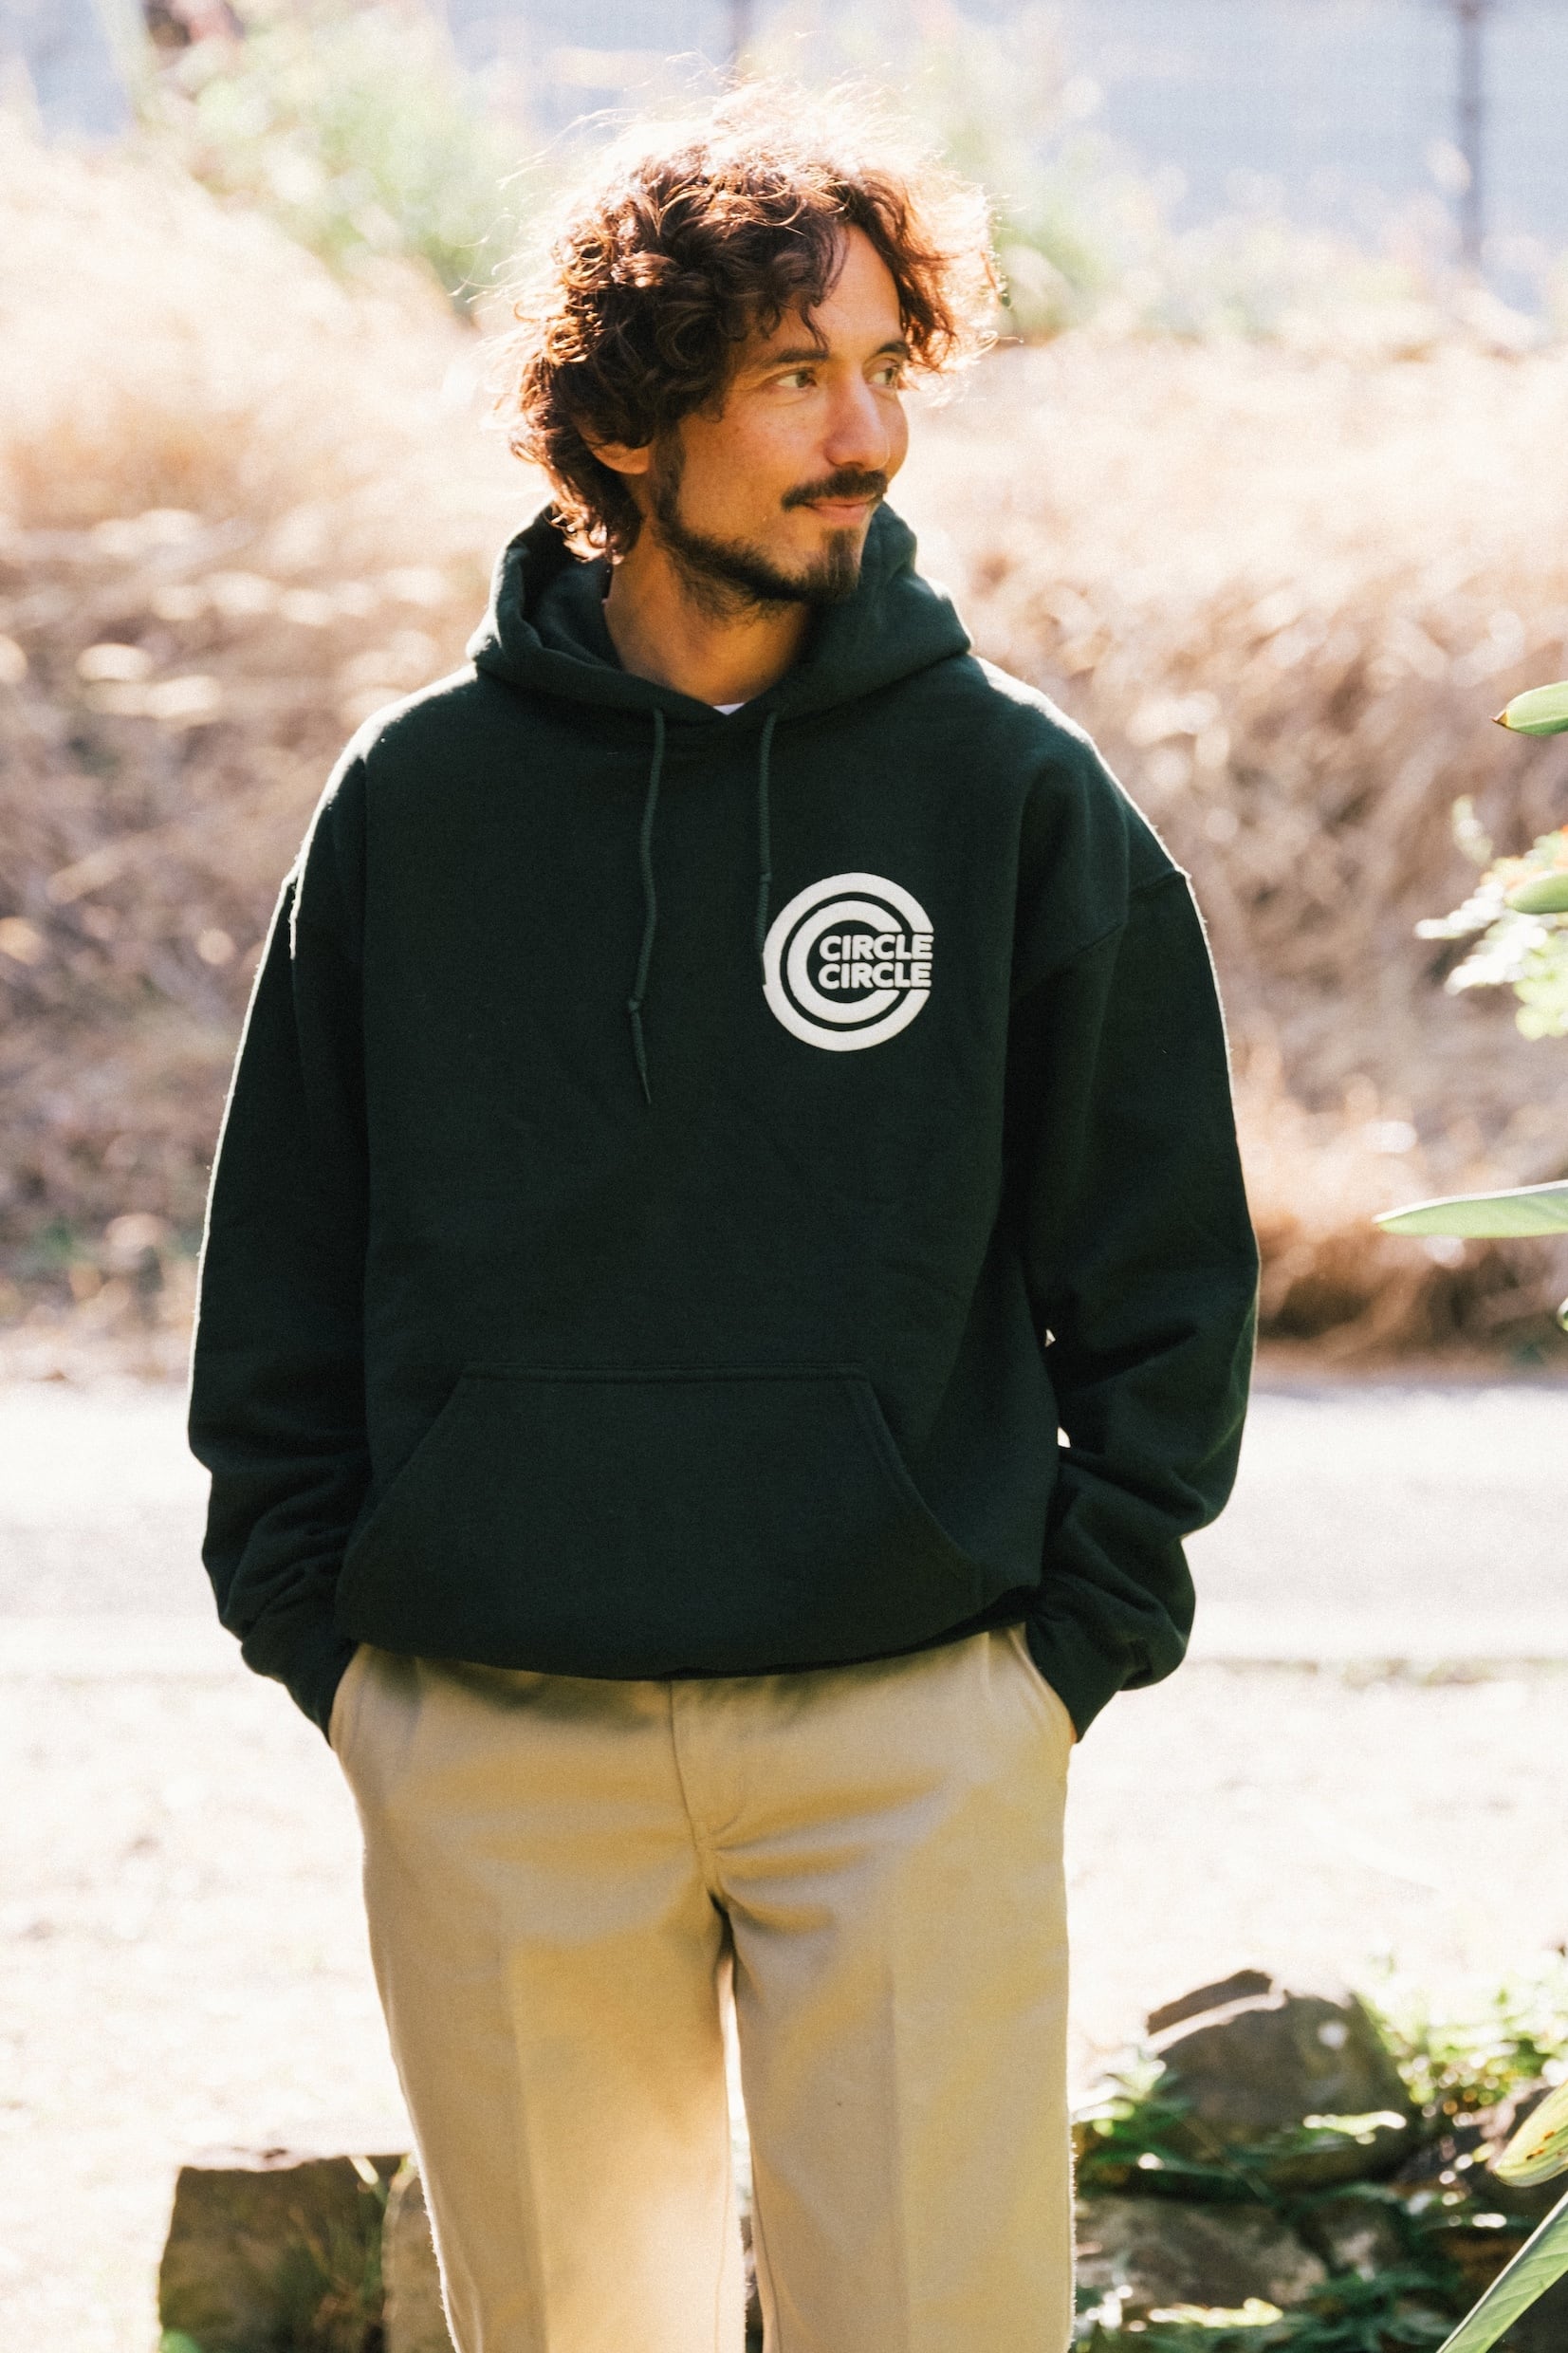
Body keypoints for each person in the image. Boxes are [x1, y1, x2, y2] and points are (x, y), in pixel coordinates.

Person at [188, 87, 1260, 2353]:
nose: (864, 436)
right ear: (625, 417)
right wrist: (340, 1653)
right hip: (496, 1741)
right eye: (792, 376)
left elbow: (1159, 1267)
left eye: (883, 368)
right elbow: (281, 1258)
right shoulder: (417, 805)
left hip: (912, 1731)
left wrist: (1056, 1662)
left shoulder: (1007, 793)